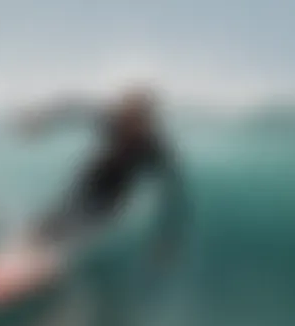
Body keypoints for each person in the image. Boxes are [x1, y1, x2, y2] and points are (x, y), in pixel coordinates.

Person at [19, 86, 187, 264]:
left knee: (81, 223)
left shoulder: (152, 148)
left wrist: (167, 241)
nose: (129, 123)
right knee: (59, 215)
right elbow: (73, 108)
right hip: (93, 176)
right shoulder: (113, 120)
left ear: (146, 120)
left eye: (136, 119)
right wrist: (39, 120)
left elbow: (173, 197)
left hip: (113, 194)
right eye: (127, 115)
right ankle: (28, 244)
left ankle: (47, 253)